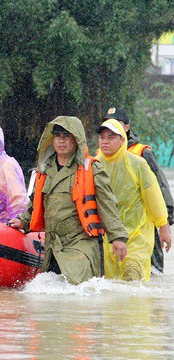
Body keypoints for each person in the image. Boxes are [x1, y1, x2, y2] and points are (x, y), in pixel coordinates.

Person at [9, 116, 128, 285]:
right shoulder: (44, 169)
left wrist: (118, 238)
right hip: (53, 246)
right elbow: (36, 203)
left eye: (67, 136)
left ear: (76, 139)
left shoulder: (91, 168)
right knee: (47, 294)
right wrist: (23, 221)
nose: (61, 141)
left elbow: (107, 206)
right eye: (58, 136)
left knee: (79, 292)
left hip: (81, 244)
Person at [96, 118, 171, 281]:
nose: (105, 142)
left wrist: (163, 227)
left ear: (122, 139)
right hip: (108, 238)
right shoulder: (95, 165)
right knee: (112, 283)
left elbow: (154, 198)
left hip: (137, 235)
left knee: (133, 274)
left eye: (111, 137)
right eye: (102, 138)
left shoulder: (137, 164)